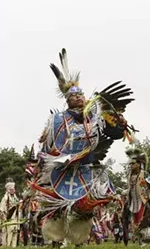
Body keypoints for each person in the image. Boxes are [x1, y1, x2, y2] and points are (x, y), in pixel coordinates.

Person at [29, 48, 136, 246]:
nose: (78, 97)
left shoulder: (95, 117)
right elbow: (47, 146)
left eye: (81, 95)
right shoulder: (57, 120)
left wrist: (119, 125)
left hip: (85, 167)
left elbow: (112, 133)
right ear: (67, 100)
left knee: (85, 207)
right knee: (55, 208)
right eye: (73, 96)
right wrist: (42, 164)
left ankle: (78, 239)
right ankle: (54, 239)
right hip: (60, 169)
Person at [0, 179, 20, 247]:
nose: (13, 190)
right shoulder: (5, 199)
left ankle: (13, 247)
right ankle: (6, 246)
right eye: (11, 189)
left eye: (13, 189)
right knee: (8, 235)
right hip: (8, 220)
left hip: (15, 219)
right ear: (8, 190)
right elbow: (1, 210)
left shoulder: (16, 199)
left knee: (15, 234)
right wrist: (4, 220)